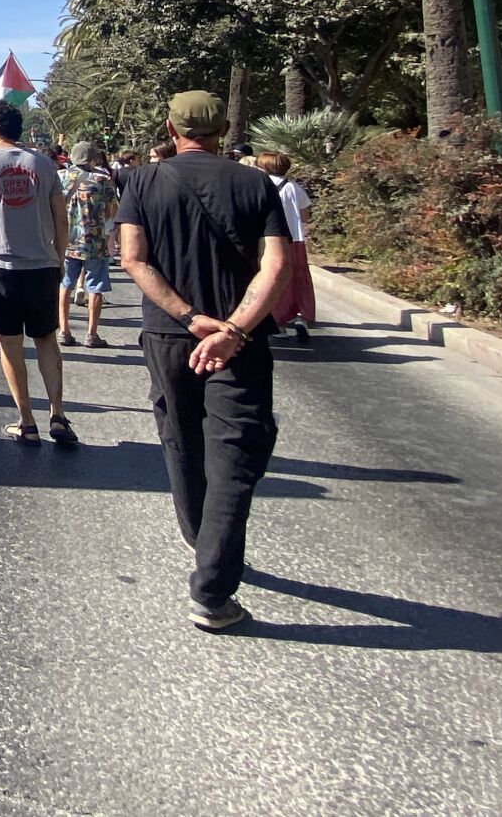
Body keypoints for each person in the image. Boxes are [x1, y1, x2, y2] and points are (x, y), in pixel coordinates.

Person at [117, 90, 290, 633]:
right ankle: (212, 587)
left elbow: (133, 259)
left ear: (171, 128)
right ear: (223, 128)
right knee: (236, 452)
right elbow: (276, 264)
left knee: (181, 438)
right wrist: (232, 328)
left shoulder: (143, 181)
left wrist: (189, 318)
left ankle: (203, 541)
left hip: (168, 335)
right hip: (238, 342)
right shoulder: (256, 182)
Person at [0, 101, 72, 446]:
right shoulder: (43, 162)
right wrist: (59, 255)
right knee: (47, 340)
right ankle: (58, 415)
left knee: (10, 345)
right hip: (42, 263)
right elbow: (60, 217)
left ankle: (26, 420)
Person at [58, 140, 120, 348]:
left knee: (65, 284)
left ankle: (64, 331)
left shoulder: (61, 177)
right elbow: (112, 211)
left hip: (66, 240)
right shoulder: (102, 180)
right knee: (95, 287)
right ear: (94, 159)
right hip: (95, 241)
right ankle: (91, 334)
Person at [254, 151, 315, 345]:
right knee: (299, 278)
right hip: (296, 239)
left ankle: (278, 323)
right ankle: (301, 316)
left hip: (272, 238)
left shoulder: (260, 184)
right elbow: (305, 215)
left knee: (275, 278)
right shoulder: (294, 187)